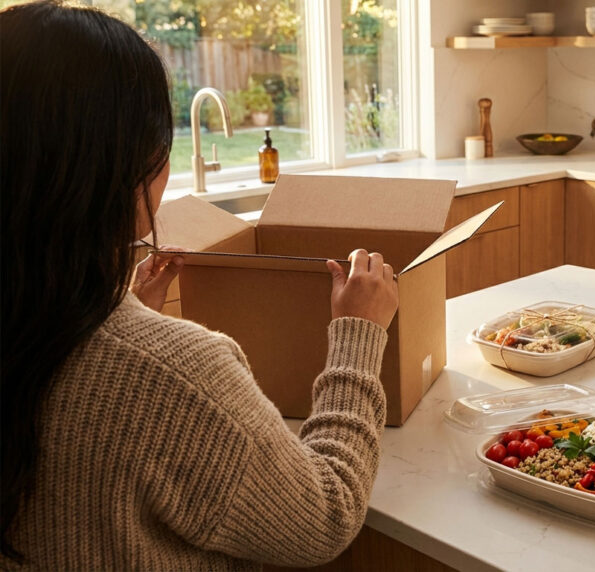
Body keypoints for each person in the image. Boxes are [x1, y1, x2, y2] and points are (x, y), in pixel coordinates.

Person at [0, 1, 399, 569]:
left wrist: (127, 317)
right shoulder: (174, 374)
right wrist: (358, 340)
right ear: (135, 165)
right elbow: (324, 517)